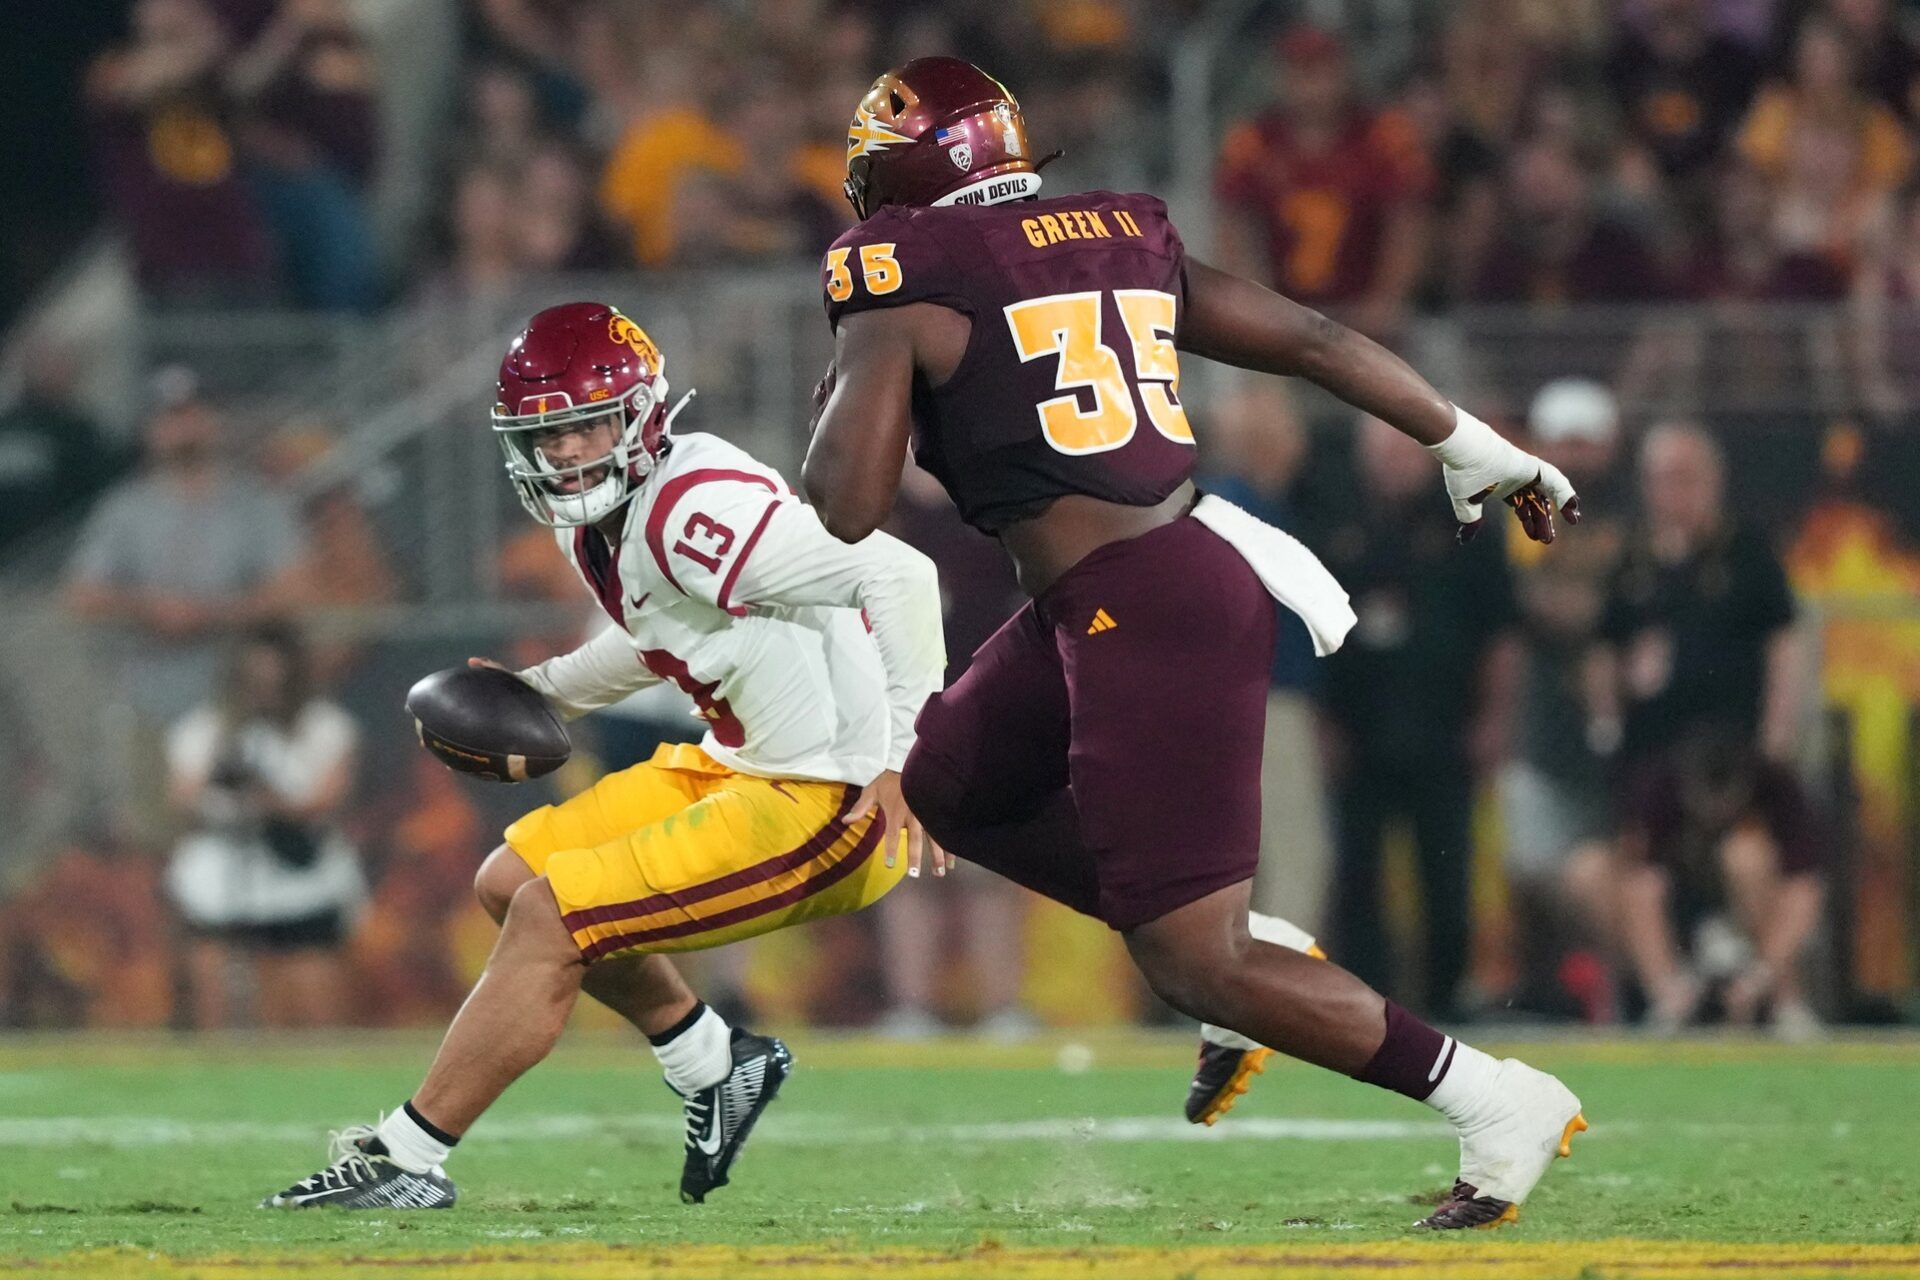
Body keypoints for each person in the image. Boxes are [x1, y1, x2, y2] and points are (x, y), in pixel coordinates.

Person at [804, 57, 1585, 1230]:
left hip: (1145, 602)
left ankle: (1492, 1095)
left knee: (1190, 965)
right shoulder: (1118, 226)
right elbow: (1313, 336)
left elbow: (846, 501)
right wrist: (1470, 438)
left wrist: (866, 350)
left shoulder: (905, 272)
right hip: (1139, 583)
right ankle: (1244, 940)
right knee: (951, 780)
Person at [264, 303, 944, 1209]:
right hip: (740, 764)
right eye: (551, 433)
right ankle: (715, 1064)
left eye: (591, 424)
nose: (574, 450)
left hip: (830, 797)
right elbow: (661, 632)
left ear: (644, 415)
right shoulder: (607, 519)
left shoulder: (692, 509)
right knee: (511, 879)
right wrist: (544, 688)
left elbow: (898, 575)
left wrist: (908, 756)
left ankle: (404, 1159)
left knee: (552, 918)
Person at [1592, 422, 1823, 1038]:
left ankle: (1778, 991)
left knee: (1752, 861)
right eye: (1664, 478)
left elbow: (1783, 642)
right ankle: (1669, 997)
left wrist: (1778, 728)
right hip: (1658, 759)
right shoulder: (1633, 558)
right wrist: (1612, 710)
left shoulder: (1745, 550)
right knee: (1634, 876)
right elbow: (1605, 651)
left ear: (1713, 482)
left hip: (1739, 758)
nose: (1675, 491)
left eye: (1687, 477)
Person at [1319, 417, 1522, 1022]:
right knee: (1358, 877)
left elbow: (1501, 633)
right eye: (1380, 450)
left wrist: (1493, 718)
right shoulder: (1336, 522)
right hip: (1359, 732)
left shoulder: (1470, 522)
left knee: (1448, 874)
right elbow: (1306, 628)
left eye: (1402, 450)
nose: (1392, 462)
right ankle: (1367, 1005)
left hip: (1444, 731)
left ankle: (1447, 998)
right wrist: (1323, 723)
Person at [65, 371, 307, 844]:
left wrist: (208, 614)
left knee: (237, 832)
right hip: (147, 694)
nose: (185, 429)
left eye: (194, 415)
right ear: (152, 430)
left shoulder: (253, 502)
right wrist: (151, 608)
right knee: (152, 834)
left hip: (236, 697)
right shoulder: (126, 508)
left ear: (214, 422)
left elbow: (294, 590)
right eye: (171, 418)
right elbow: (82, 596)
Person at [165, 624, 366, 1028]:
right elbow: (182, 796)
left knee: (317, 1012)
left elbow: (328, 796)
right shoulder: (203, 730)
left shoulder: (325, 727)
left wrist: (269, 797)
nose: (264, 688)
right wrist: (223, 769)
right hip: (222, 879)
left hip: (299, 874)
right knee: (215, 988)